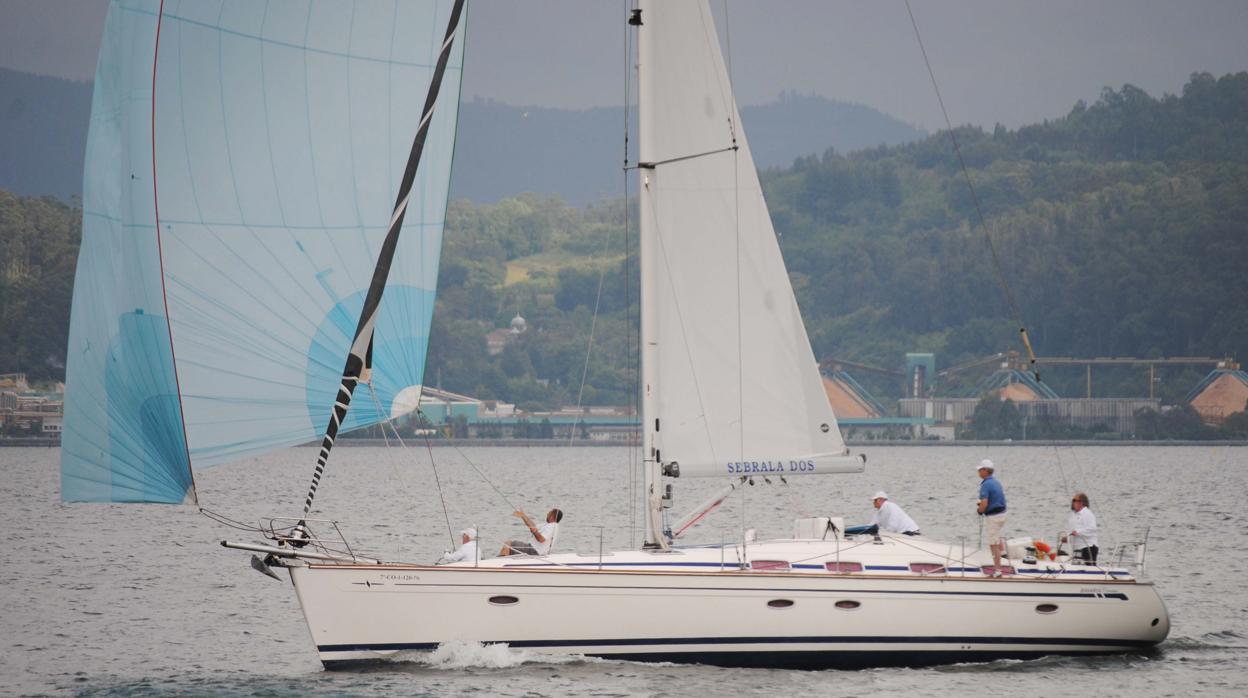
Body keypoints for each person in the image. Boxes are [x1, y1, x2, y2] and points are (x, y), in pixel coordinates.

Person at [976, 459, 1008, 576]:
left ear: (985, 471)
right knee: (996, 537)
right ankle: (1004, 554)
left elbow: (984, 503)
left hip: (994, 517)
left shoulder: (986, 485)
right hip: (1003, 514)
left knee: (993, 544)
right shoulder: (996, 482)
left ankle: (998, 570)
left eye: (980, 470)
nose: (978, 472)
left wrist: (979, 511)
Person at [1061, 492, 1099, 563]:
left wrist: (1078, 532)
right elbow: (1072, 530)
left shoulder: (1087, 513)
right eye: (1073, 500)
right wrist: (1067, 538)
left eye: (1075, 500)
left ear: (1082, 502)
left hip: (1088, 547)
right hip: (1076, 548)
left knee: (1088, 568)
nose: (1073, 502)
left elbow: (1092, 529)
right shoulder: (1073, 515)